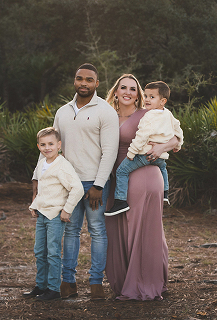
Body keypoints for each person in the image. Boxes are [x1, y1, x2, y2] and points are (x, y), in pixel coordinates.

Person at [32, 63, 119, 300]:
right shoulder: (62, 111)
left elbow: (110, 152)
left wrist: (99, 185)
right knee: (70, 231)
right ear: (74, 81)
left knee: (97, 231)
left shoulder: (106, 111)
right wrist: (37, 178)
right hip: (67, 183)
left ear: (97, 83)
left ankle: (95, 284)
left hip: (94, 183)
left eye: (89, 80)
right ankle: (67, 283)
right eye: (79, 78)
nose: (84, 83)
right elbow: (49, 148)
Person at [104, 74, 180, 300]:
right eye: (122, 87)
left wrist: (161, 148)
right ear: (115, 91)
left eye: (133, 89)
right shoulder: (107, 115)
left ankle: (143, 283)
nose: (127, 92)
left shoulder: (149, 113)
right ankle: (125, 280)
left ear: (138, 94)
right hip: (116, 180)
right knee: (116, 230)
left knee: (142, 230)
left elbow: (176, 136)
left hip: (143, 175)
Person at [105, 81, 183, 216]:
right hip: (159, 160)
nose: (147, 99)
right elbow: (178, 129)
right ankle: (165, 192)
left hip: (143, 155)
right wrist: (178, 145)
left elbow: (142, 136)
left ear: (162, 101)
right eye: (146, 96)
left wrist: (131, 153)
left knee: (122, 171)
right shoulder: (167, 113)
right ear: (116, 92)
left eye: (152, 97)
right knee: (163, 167)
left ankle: (120, 202)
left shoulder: (147, 115)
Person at [23, 127, 84, 301]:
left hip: (55, 216)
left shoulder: (62, 165)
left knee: (53, 252)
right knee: (39, 251)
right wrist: (35, 205)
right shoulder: (42, 163)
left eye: (51, 144)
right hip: (42, 214)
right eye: (43, 144)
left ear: (59, 145)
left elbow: (77, 188)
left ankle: (53, 289)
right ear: (38, 146)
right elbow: (43, 189)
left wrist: (67, 209)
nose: (47, 147)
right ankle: (41, 285)